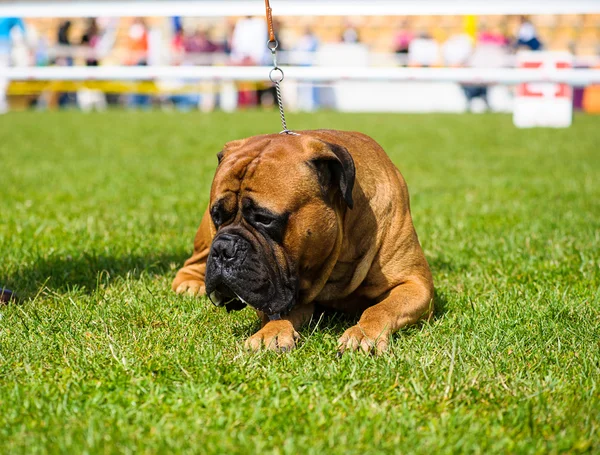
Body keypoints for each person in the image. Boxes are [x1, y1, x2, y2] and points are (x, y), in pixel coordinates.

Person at [0, 17, 26, 114]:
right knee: (2, 78)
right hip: (4, 50)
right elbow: (21, 31)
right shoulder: (11, 13)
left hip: (4, 49)